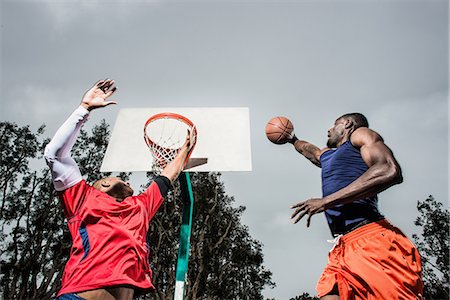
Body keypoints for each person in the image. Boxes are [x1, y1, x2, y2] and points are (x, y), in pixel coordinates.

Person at [44, 79, 195, 300]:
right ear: (103, 183)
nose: (125, 180)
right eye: (117, 178)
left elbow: (167, 176)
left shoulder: (140, 206)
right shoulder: (81, 198)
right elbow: (54, 154)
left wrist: (184, 149)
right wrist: (84, 109)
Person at [289, 113, 423, 299]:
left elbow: (389, 170)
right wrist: (291, 139)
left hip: (372, 239)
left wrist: (326, 201)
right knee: (329, 293)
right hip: (343, 247)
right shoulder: (328, 156)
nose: (328, 130)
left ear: (347, 124)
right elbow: (309, 150)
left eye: (334, 125)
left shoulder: (360, 136)